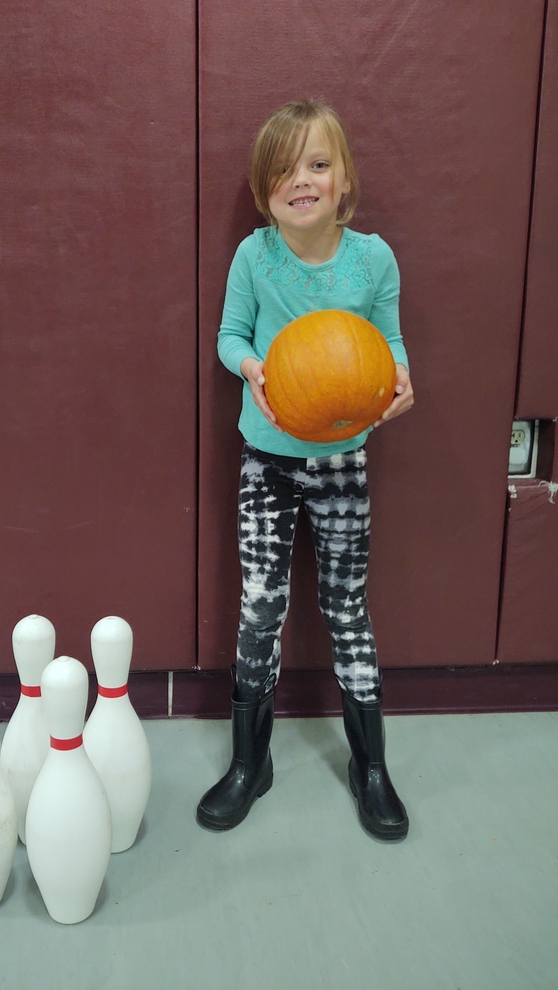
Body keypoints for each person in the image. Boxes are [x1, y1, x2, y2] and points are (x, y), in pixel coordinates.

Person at [196, 99, 414, 840]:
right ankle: (248, 764)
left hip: (342, 461)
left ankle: (371, 766)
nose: (303, 180)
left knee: (347, 609)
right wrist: (253, 364)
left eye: (318, 164)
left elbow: (388, 342)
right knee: (261, 608)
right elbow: (228, 336)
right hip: (268, 458)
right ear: (264, 191)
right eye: (285, 169)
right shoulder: (255, 257)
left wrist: (401, 380)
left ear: (344, 180)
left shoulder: (373, 259)